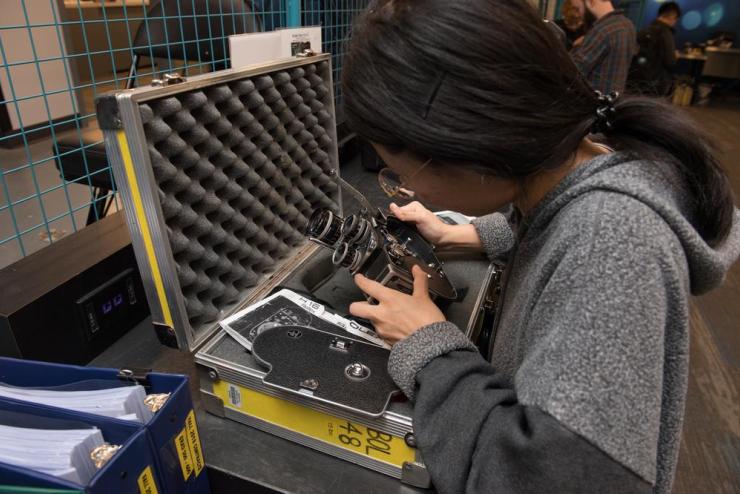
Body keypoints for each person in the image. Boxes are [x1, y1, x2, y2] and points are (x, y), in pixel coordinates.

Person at [342, 1, 740, 493]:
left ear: (475, 151)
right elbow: (552, 214)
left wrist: (428, 346)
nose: (406, 191)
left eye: (401, 174)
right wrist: (465, 234)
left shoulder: (612, 243)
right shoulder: (585, 168)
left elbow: (548, 477)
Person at [570, 0, 638, 93]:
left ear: (591, 1)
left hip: (594, 102)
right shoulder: (627, 24)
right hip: (614, 100)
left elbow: (571, 72)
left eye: (578, 8)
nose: (579, 14)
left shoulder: (602, 30)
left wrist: (576, 47)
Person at [629, 2, 682, 96]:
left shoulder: (644, 31)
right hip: (655, 85)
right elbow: (670, 62)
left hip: (635, 81)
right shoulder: (666, 33)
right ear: (672, 15)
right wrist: (675, 56)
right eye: (676, 18)